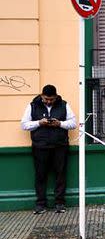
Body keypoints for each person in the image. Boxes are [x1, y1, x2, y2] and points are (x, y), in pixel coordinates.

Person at [20, 84, 77, 214]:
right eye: (46, 99)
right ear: (41, 96)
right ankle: (40, 204)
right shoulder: (32, 106)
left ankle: (60, 203)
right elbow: (24, 125)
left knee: (60, 174)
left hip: (60, 146)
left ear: (56, 97)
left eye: (51, 99)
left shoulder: (64, 105)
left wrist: (60, 124)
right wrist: (39, 123)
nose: (49, 101)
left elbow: (73, 123)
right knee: (40, 175)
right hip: (40, 147)